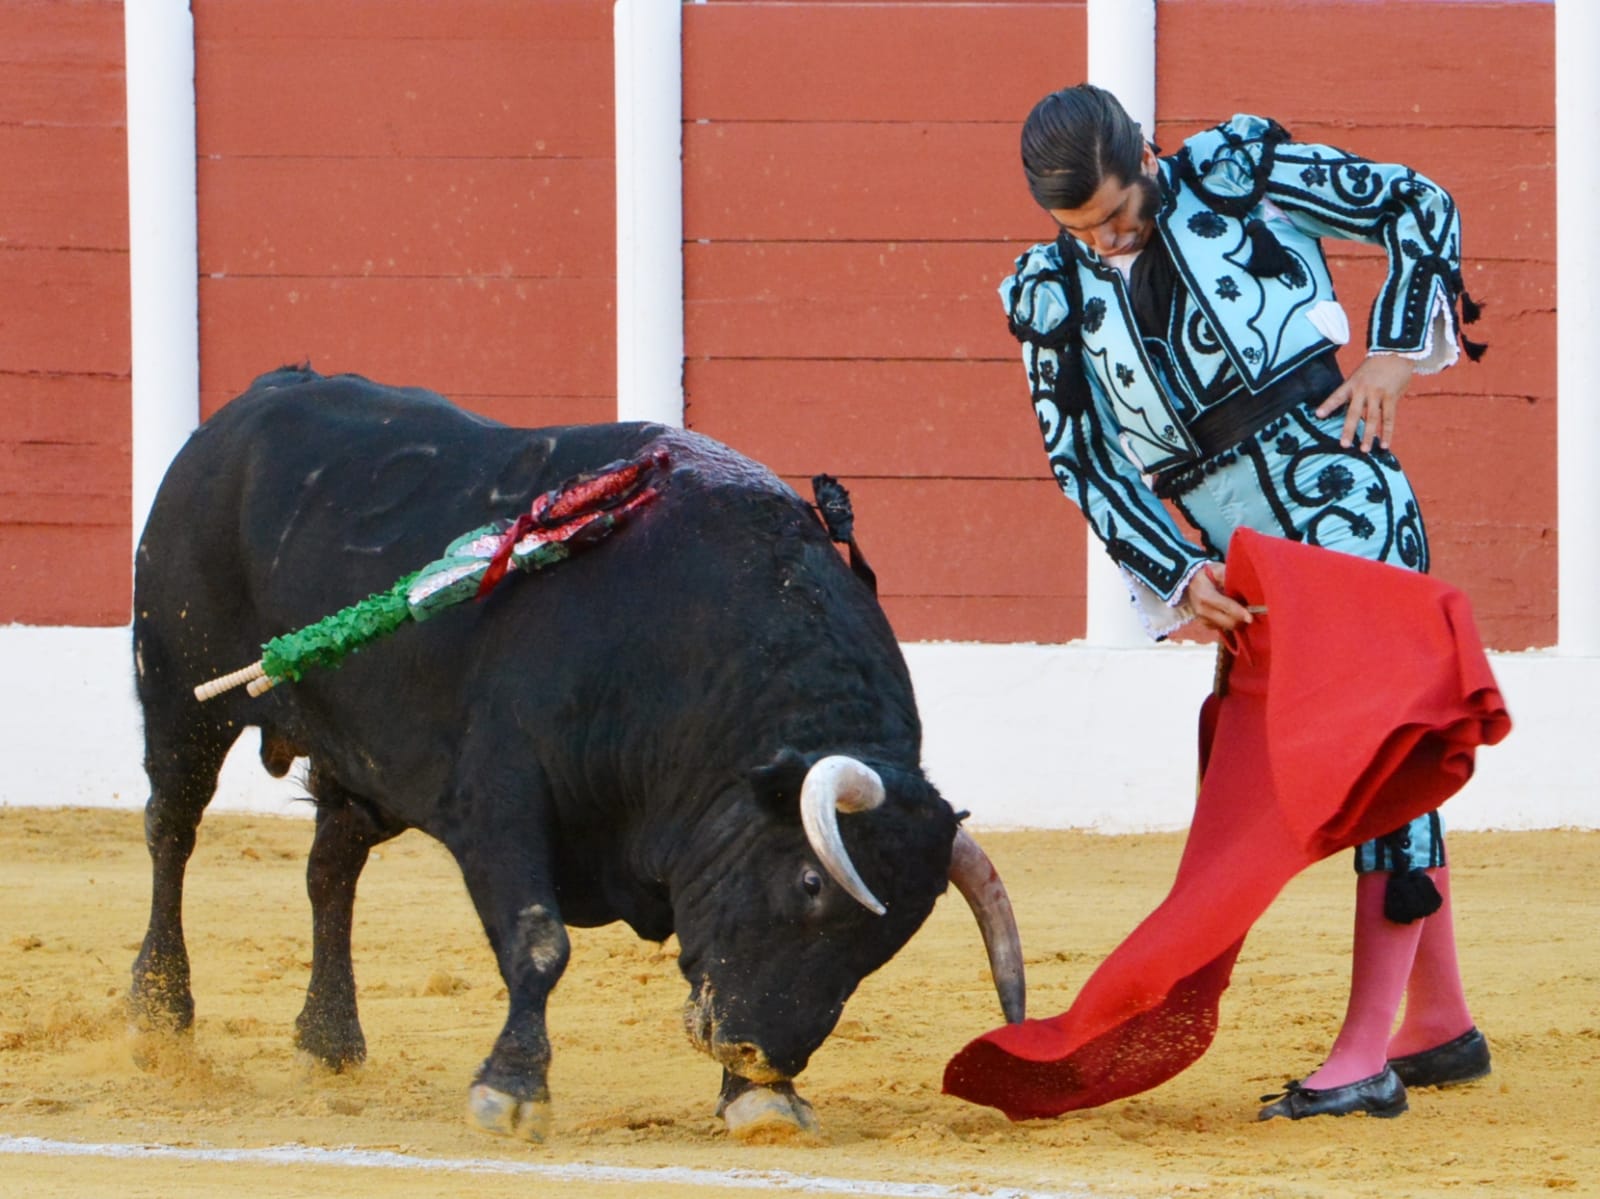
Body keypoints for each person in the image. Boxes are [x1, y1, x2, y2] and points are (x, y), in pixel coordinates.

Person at [1002, 84, 1490, 1120]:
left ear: (1143, 156)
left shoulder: (1238, 173)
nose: (1109, 239)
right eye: (1083, 229)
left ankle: (1366, 1051)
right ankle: (1437, 1016)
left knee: (1377, 748)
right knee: (1336, 768)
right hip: (1242, 567)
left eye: (1121, 215)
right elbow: (1080, 456)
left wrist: (1397, 352)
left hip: (1345, 502)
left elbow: (1417, 204)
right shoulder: (1048, 290)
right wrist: (1176, 574)